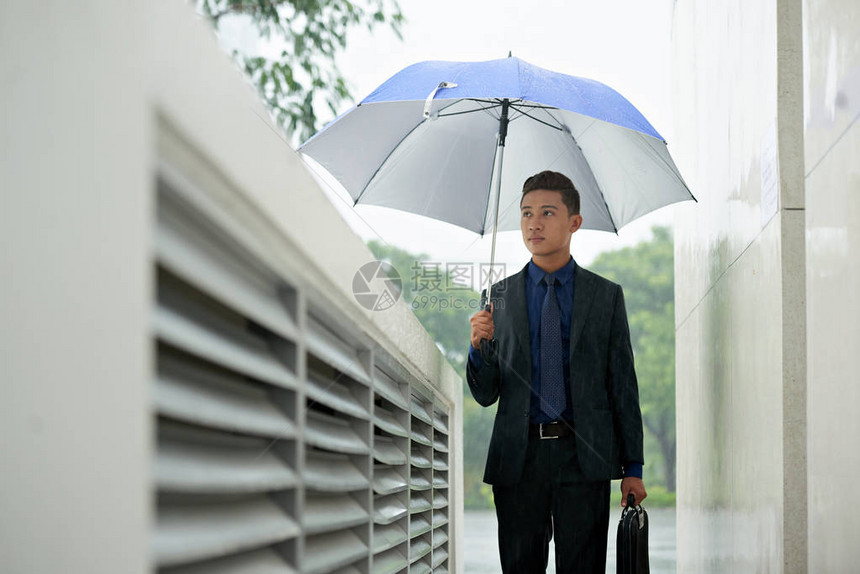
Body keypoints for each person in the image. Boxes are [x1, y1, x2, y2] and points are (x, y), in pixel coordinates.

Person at [467, 170, 646, 573]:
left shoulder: (605, 296)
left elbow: (623, 386)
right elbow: (486, 394)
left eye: (548, 212)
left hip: (584, 457)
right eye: (527, 213)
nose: (534, 223)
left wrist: (632, 468)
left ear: (574, 222)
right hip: (519, 458)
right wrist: (479, 348)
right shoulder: (498, 297)